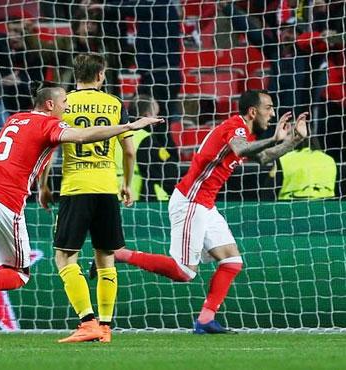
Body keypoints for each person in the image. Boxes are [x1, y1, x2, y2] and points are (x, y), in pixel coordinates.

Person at [0, 82, 163, 345]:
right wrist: (128, 126)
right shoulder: (49, 125)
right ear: (50, 104)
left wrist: (43, 185)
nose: (67, 107)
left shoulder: (16, 119)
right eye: (64, 103)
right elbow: (82, 136)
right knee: (17, 274)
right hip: (4, 200)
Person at [111, 90, 309, 334]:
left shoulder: (243, 132)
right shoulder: (235, 127)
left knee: (232, 261)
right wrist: (274, 138)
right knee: (184, 272)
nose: (273, 113)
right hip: (191, 202)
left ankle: (205, 320)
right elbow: (240, 149)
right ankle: (119, 254)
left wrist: (294, 140)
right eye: (268, 107)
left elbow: (264, 157)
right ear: (252, 111)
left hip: (205, 204)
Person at [37, 53, 136, 343]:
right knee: (106, 257)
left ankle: (87, 321)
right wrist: (126, 184)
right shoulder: (115, 104)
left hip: (75, 187)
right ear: (101, 75)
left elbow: (48, 147)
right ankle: (105, 326)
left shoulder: (62, 102)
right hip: (106, 186)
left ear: (75, 74)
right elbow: (129, 150)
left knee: (65, 256)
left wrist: (43, 185)